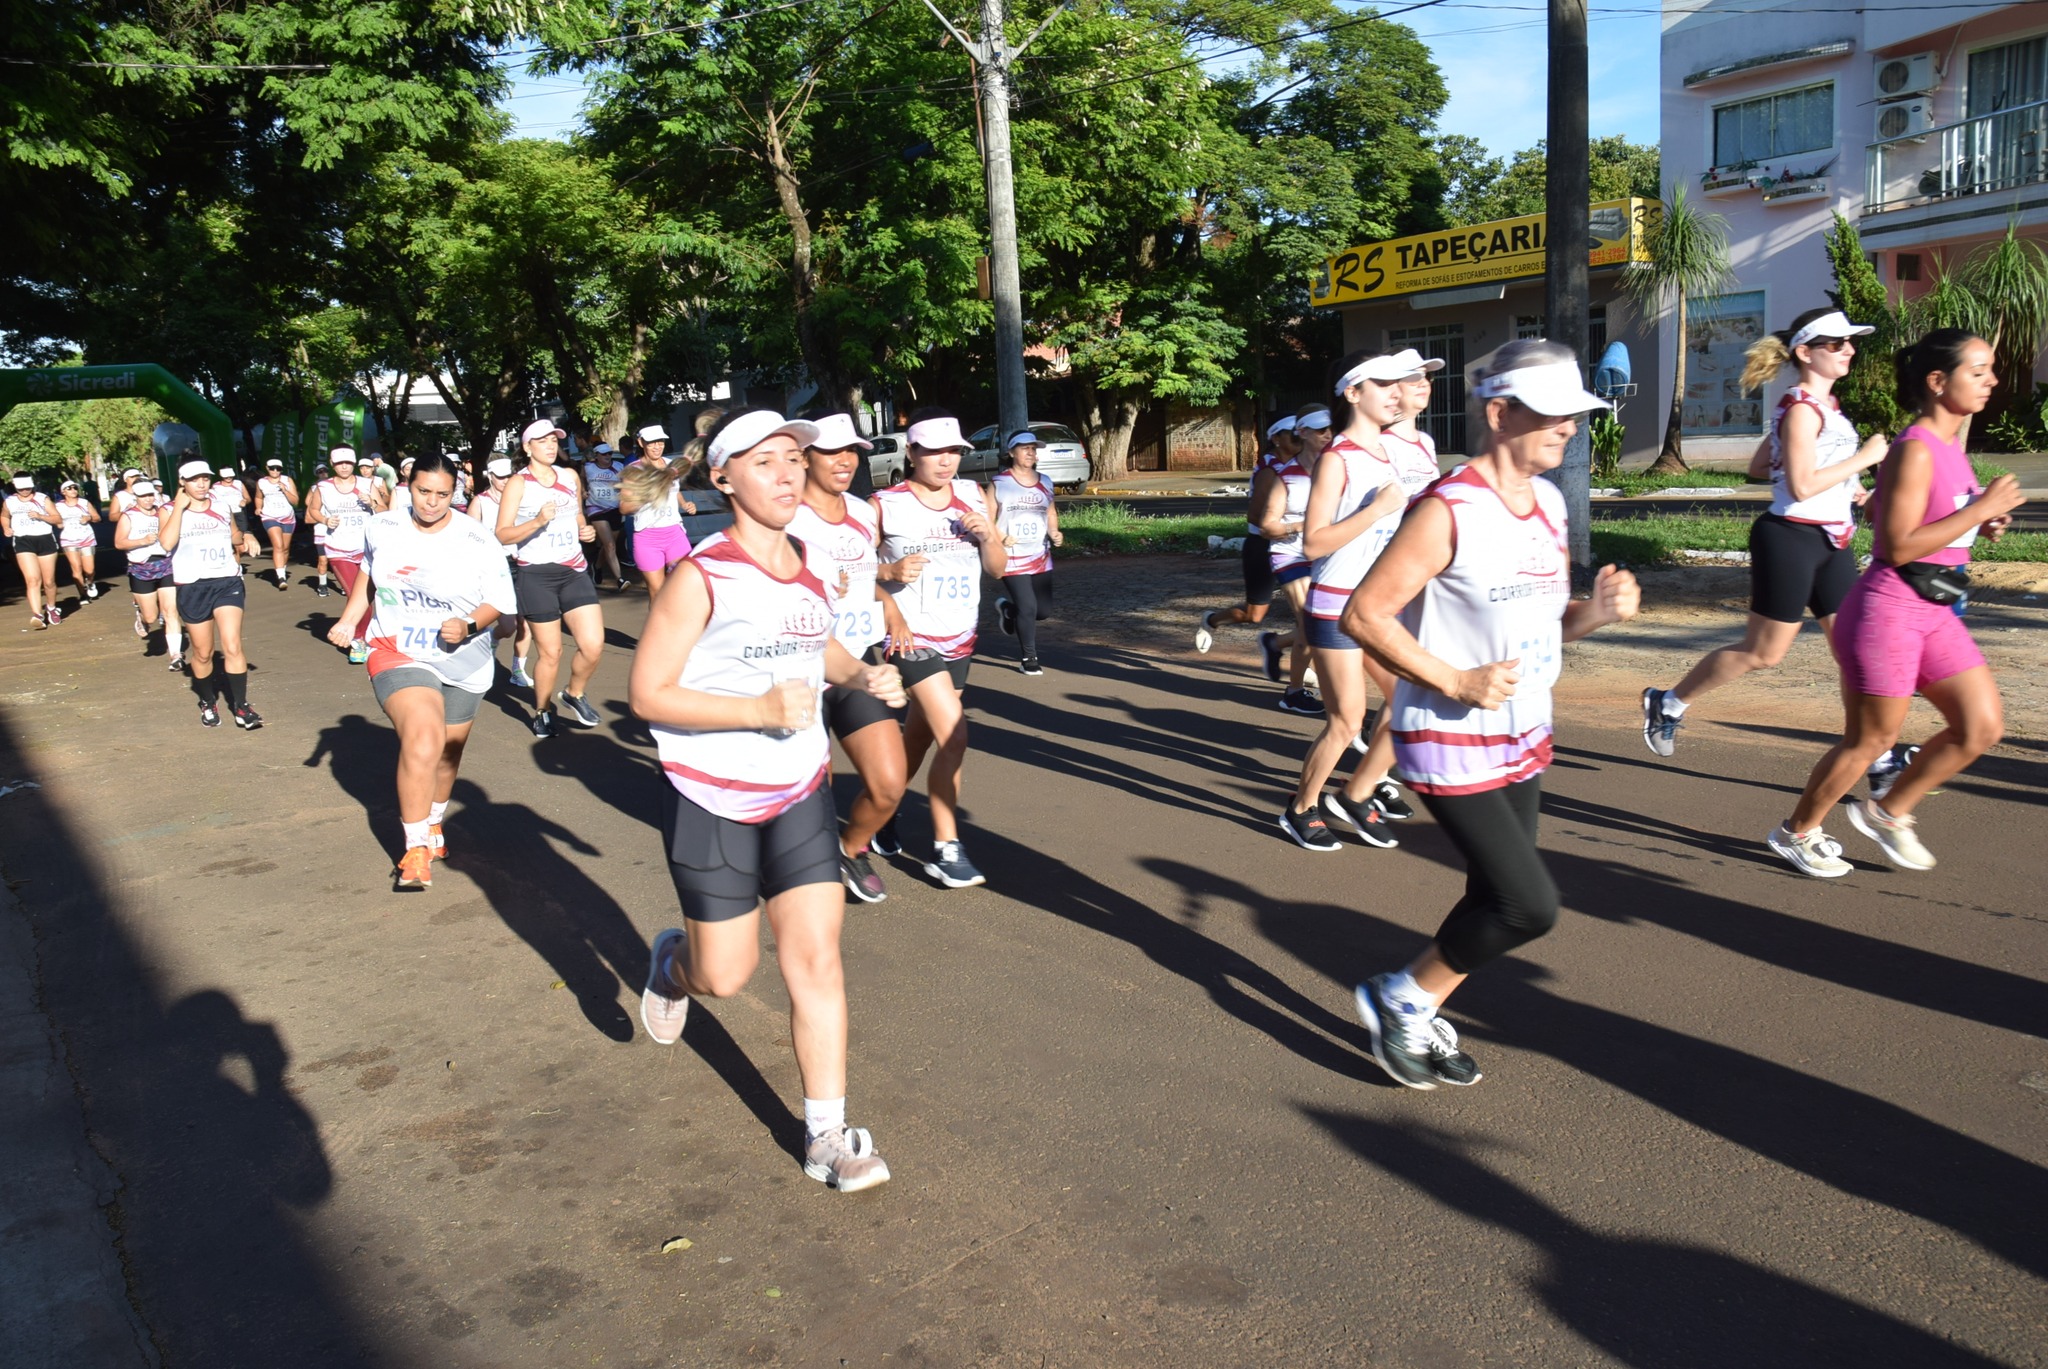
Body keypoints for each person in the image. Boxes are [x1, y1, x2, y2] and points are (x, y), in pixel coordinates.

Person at [1344, 340, 1639, 1088]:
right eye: (1555, 414)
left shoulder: (1547, 503)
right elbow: (1366, 615)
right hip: (1446, 735)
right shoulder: (1448, 509)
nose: (1571, 428)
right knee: (1528, 904)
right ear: (1500, 412)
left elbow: (1537, 622)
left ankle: (1416, 1005)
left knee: (1491, 895)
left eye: (1577, 415)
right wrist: (1456, 680)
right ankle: (1400, 994)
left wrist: (1592, 615)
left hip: (1522, 731)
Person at [630, 408, 907, 1193]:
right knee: (724, 975)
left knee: (816, 959)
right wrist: (754, 710)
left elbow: (810, 642)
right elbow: (646, 693)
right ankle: (671, 964)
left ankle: (828, 1134)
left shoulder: (808, 561)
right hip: (709, 795)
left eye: (795, 458)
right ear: (723, 478)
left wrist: (859, 674)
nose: (788, 473)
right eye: (766, 462)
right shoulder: (701, 574)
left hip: (797, 788)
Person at [1767, 330, 2023, 878]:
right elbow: (1898, 543)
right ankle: (1797, 831)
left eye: (1990, 370)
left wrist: (1985, 516)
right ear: (1937, 382)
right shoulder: (1914, 449)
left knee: (1980, 727)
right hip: (1889, 611)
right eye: (1978, 372)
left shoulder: (1951, 447)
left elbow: (1945, 518)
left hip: (1934, 611)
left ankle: (1888, 811)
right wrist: (1980, 512)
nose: (1992, 381)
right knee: (1871, 740)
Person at [1642, 309, 1890, 757]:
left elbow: (1762, 466)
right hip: (1790, 540)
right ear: (1805, 353)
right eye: (1836, 344)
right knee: (1764, 653)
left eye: (1850, 342)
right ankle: (1669, 702)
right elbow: (1800, 484)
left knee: (1852, 652)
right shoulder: (1800, 409)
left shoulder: (1826, 408)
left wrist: (1851, 485)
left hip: (1831, 542)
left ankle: (1870, 750)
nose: (1849, 350)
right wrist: (1865, 458)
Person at [327, 453, 517, 890]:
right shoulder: (383, 527)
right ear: (407, 487)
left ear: (457, 493)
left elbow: (499, 604)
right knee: (424, 735)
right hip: (397, 646)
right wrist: (348, 619)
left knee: (447, 754)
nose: (431, 503)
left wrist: (469, 624)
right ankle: (414, 849)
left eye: (442, 495)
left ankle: (434, 820)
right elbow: (369, 577)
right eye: (423, 492)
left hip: (464, 656)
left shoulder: (477, 538)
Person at [1281, 352, 1436, 852]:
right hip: (1334, 608)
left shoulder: (1391, 454)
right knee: (1347, 721)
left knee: (1411, 701)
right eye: (1384, 385)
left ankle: (1357, 792)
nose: (1397, 392)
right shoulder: (1337, 457)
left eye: (1400, 385)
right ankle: (1300, 809)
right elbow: (1314, 544)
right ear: (1352, 394)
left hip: (1377, 607)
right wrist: (1376, 510)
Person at [872, 410, 1011, 887]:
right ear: (911, 453)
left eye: (954, 451)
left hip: (960, 636)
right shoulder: (884, 504)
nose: (945, 460)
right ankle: (945, 849)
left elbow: (996, 569)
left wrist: (987, 535)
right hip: (909, 637)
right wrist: (888, 574)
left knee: (921, 735)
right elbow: (847, 569)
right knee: (954, 733)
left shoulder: (973, 497)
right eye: (933, 451)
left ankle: (881, 811)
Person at [791, 412, 912, 904]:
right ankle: (801, 864)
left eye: (852, 452)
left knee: (889, 783)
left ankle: (851, 847)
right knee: (807, 798)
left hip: (856, 664)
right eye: (831, 452)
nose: (844, 461)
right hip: (798, 669)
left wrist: (891, 607)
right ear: (805, 458)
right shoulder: (785, 514)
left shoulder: (864, 512)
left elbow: (867, 578)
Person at [496, 418, 603, 737]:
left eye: (554, 440)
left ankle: (574, 692)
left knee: (593, 645)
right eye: (542, 441)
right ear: (527, 447)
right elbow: (502, 534)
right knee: (551, 653)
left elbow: (579, 513)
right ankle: (541, 710)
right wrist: (537, 522)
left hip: (573, 570)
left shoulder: (570, 476)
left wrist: (586, 530)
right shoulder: (519, 483)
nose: (551, 445)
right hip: (537, 574)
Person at [157, 461, 264, 729]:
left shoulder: (220, 505)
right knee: (203, 653)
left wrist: (247, 536)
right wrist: (179, 509)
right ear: (182, 482)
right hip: (192, 586)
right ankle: (207, 700)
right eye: (195, 479)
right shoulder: (168, 510)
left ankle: (241, 706)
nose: (202, 484)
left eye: (205, 478)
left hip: (226, 581)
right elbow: (166, 543)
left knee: (232, 645)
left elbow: (234, 535)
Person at [1253, 405, 1333, 713]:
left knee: (1327, 624)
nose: (1329, 434)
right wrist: (1303, 524)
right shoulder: (1286, 477)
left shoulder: (1338, 469)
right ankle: (1294, 692)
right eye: (1321, 429)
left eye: (1331, 428)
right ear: (1303, 433)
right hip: (1291, 554)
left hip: (1326, 554)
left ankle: (1275, 644)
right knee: (1312, 625)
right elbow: (1266, 526)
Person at [1196, 416, 1297, 652]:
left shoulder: (1305, 464)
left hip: (1297, 548)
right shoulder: (1271, 469)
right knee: (1254, 614)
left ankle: (1300, 672)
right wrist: (1293, 526)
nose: (1300, 439)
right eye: (1293, 434)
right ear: (1277, 439)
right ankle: (1212, 620)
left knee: (1312, 614)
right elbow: (1255, 517)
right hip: (1264, 545)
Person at [991, 431, 1064, 675]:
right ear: (1011, 452)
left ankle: (1009, 611)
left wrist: (1054, 531)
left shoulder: (1045, 481)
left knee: (1043, 611)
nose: (1031, 452)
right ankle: (1028, 658)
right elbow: (986, 518)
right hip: (1010, 556)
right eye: (1024, 448)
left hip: (1039, 555)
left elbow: (1050, 511)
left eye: (1033, 448)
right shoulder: (999, 483)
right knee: (1029, 606)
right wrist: (1000, 537)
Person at [307, 448, 388, 663]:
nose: (344, 467)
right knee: (354, 594)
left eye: (348, 463)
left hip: (366, 548)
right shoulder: (323, 487)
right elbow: (312, 511)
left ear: (353, 464)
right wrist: (325, 520)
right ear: (333, 465)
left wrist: (372, 503)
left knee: (369, 595)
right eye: (340, 463)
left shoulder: (366, 484)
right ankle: (359, 640)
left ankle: (371, 634)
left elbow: (384, 510)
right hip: (338, 548)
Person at [469, 456, 536, 688]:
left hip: (520, 563)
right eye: (501, 477)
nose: (506, 481)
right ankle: (491, 640)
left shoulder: (522, 498)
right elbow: (468, 538)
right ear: (490, 476)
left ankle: (518, 669)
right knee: (508, 627)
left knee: (525, 622)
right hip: (492, 569)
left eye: (509, 476)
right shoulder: (480, 502)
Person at [619, 423, 698, 598]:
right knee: (658, 593)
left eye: (660, 442)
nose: (657, 446)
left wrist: (685, 504)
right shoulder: (634, 470)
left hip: (674, 533)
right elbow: (624, 508)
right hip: (648, 537)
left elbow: (674, 491)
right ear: (641, 443)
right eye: (652, 442)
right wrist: (648, 495)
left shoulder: (672, 466)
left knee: (684, 586)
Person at [113, 480, 176, 658]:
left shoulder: (162, 512)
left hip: (165, 563)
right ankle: (141, 613)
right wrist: (142, 541)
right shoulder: (129, 516)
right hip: (141, 567)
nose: (148, 500)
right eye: (143, 496)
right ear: (136, 498)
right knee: (151, 617)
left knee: (171, 611)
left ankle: (175, 654)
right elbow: (119, 543)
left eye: (150, 495)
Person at [3, 475, 63, 628]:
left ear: (32, 486)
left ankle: (51, 608)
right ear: (16, 487)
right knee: (32, 580)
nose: (24, 491)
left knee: (49, 582)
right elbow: (4, 515)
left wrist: (40, 516)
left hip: (44, 539)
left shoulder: (43, 499)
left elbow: (57, 519)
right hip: (23, 541)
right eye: (21, 488)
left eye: (27, 488)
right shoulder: (10, 501)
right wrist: (6, 528)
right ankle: (37, 614)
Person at [582, 442, 628, 589]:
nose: (607, 456)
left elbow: (626, 485)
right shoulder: (588, 467)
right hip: (596, 508)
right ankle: (620, 580)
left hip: (614, 508)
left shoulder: (619, 467)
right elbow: (581, 479)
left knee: (609, 545)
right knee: (609, 544)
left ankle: (597, 565)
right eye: (604, 454)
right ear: (597, 456)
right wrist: (583, 491)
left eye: (609, 453)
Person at [255, 458, 300, 591]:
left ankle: (282, 570)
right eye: (272, 468)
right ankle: (281, 578)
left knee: (285, 548)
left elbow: (296, 501)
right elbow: (258, 497)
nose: (275, 471)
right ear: (267, 468)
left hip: (287, 517)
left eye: (278, 468)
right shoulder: (262, 482)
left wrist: (285, 490)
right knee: (278, 545)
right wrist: (258, 507)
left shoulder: (287, 480)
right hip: (270, 516)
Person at [54, 480, 103, 602]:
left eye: (75, 488)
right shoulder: (58, 506)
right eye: (69, 488)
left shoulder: (84, 503)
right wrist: (59, 524)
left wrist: (89, 518)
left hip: (86, 537)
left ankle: (90, 582)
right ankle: (83, 594)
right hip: (68, 539)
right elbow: (56, 521)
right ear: (63, 492)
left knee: (89, 570)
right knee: (76, 568)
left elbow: (97, 517)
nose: (73, 490)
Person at [216, 465, 262, 567]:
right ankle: (234, 566)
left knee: (241, 545)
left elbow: (248, 498)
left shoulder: (238, 484)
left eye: (230, 476)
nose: (229, 479)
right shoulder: (215, 487)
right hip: (224, 516)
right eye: (226, 477)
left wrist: (244, 501)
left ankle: (235, 562)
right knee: (230, 542)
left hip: (239, 514)